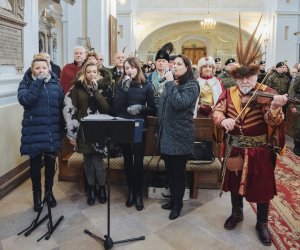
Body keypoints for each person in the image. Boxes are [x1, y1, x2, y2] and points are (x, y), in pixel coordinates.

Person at [212, 17, 288, 246]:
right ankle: (237, 213)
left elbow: (271, 120)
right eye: (241, 78)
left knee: (262, 187)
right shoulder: (229, 92)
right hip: (235, 148)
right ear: (235, 78)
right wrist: (222, 120)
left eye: (250, 77)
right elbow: (216, 111)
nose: (245, 81)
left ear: (257, 75)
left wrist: (275, 106)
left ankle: (262, 222)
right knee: (235, 184)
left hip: (260, 150)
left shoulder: (267, 92)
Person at [156, 54, 200, 220]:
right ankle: (172, 199)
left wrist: (169, 84)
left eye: (179, 64)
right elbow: (162, 106)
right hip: (166, 134)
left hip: (180, 135)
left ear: (187, 68)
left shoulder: (191, 85)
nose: (174, 66)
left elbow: (179, 103)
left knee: (178, 173)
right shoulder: (173, 83)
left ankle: (178, 204)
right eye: (173, 64)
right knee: (169, 171)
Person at [18, 57, 64, 212]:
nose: (41, 71)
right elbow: (26, 100)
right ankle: (36, 195)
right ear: (32, 69)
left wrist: (62, 129)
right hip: (34, 130)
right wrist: (38, 82)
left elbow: (60, 105)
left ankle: (49, 193)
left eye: (44, 67)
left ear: (48, 68)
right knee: (36, 166)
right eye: (37, 68)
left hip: (51, 130)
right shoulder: (26, 83)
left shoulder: (55, 83)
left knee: (51, 165)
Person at [63, 62, 110, 205]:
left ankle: (102, 188)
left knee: (98, 162)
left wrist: (96, 92)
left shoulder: (104, 87)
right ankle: (90, 188)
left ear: (98, 73)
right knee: (88, 161)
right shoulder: (76, 88)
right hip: (83, 130)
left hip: (99, 129)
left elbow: (107, 109)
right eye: (88, 72)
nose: (91, 74)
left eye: (94, 72)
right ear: (84, 72)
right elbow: (69, 110)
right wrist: (71, 134)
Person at [113, 57, 156, 211]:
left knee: (138, 161)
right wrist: (123, 90)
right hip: (124, 125)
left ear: (137, 68)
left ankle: (138, 193)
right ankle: (130, 191)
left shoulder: (146, 85)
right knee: (127, 160)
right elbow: (116, 108)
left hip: (139, 126)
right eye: (126, 68)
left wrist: (141, 108)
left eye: (132, 67)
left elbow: (153, 108)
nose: (129, 70)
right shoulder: (120, 84)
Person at [147, 43, 174, 108]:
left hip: (168, 107)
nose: (161, 63)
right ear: (155, 63)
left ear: (167, 63)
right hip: (153, 107)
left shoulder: (172, 76)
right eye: (159, 61)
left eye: (163, 61)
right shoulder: (149, 76)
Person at [288, 73, 300, 156]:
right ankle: (297, 146)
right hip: (298, 104)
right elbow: (291, 91)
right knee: (298, 127)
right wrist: (291, 105)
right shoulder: (298, 77)